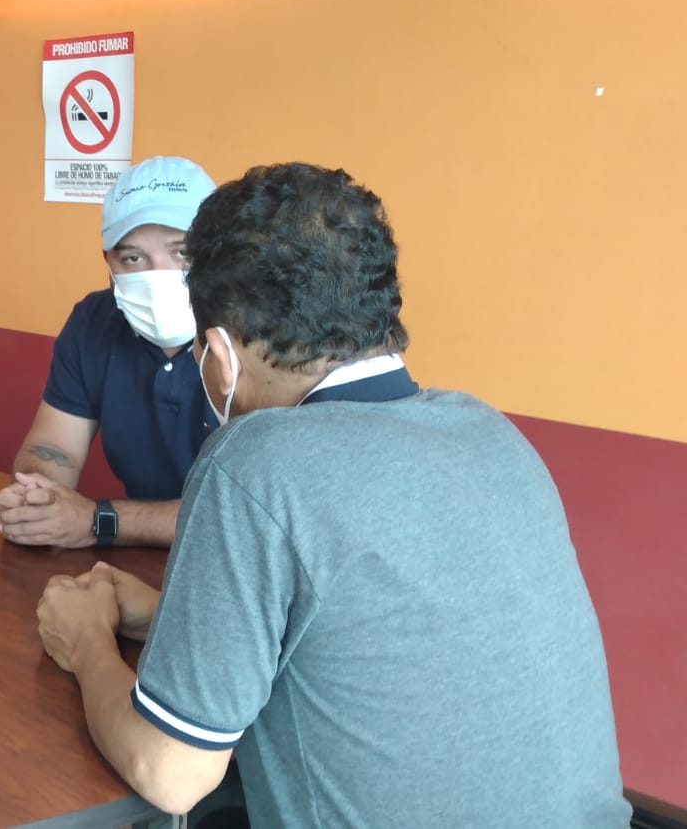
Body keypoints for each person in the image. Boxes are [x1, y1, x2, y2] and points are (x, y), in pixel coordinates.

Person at [34, 164, 631, 826]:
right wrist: (164, 614)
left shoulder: (257, 462)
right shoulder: (493, 433)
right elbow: (368, 639)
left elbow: (170, 773)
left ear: (221, 355)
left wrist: (85, 639)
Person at [0, 157, 217, 549]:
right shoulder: (93, 322)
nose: (159, 275)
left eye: (182, 252)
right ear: (109, 264)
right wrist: (39, 497)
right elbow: (54, 447)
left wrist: (98, 521)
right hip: (135, 558)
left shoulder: (259, 334)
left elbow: (250, 515)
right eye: (134, 258)